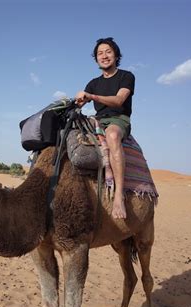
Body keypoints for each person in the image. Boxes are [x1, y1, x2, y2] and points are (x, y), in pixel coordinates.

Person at [75, 37, 135, 219]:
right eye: (100, 53)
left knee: (112, 135)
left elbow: (118, 101)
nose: (104, 56)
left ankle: (118, 196)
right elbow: (80, 103)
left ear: (116, 55)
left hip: (118, 119)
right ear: (96, 59)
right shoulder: (93, 82)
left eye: (108, 52)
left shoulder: (126, 76)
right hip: (97, 121)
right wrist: (75, 101)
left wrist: (92, 97)